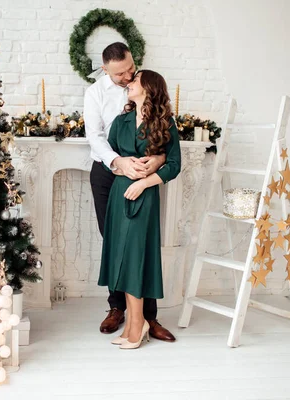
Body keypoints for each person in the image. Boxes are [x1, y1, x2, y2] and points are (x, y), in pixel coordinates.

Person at [85, 42, 175, 342]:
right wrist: (119, 162)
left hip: (143, 172)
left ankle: (148, 317)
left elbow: (164, 146)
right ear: (105, 69)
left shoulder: (146, 86)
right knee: (114, 241)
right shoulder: (95, 93)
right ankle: (117, 308)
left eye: (130, 70)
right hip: (109, 170)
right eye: (120, 74)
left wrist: (157, 161)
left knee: (141, 243)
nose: (127, 77)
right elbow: (95, 137)